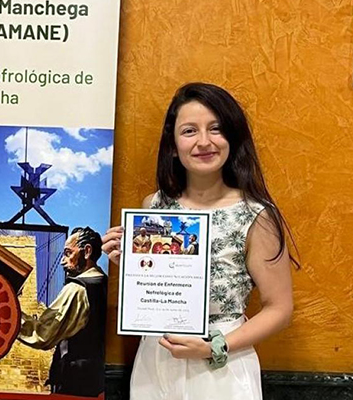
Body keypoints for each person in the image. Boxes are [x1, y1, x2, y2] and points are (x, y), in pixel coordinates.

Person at [102, 83, 298, 400]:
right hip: (157, 360)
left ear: (232, 137)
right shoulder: (155, 205)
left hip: (222, 365)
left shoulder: (255, 215)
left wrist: (215, 347)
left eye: (216, 129)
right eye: (189, 131)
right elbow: (155, 287)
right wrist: (130, 264)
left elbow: (280, 308)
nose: (204, 141)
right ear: (173, 144)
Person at [18, 227, 107, 397]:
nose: (62, 261)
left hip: (74, 383)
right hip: (97, 382)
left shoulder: (76, 289)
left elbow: (42, 334)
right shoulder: (105, 283)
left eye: (68, 253)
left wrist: (10, 315)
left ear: (87, 251)